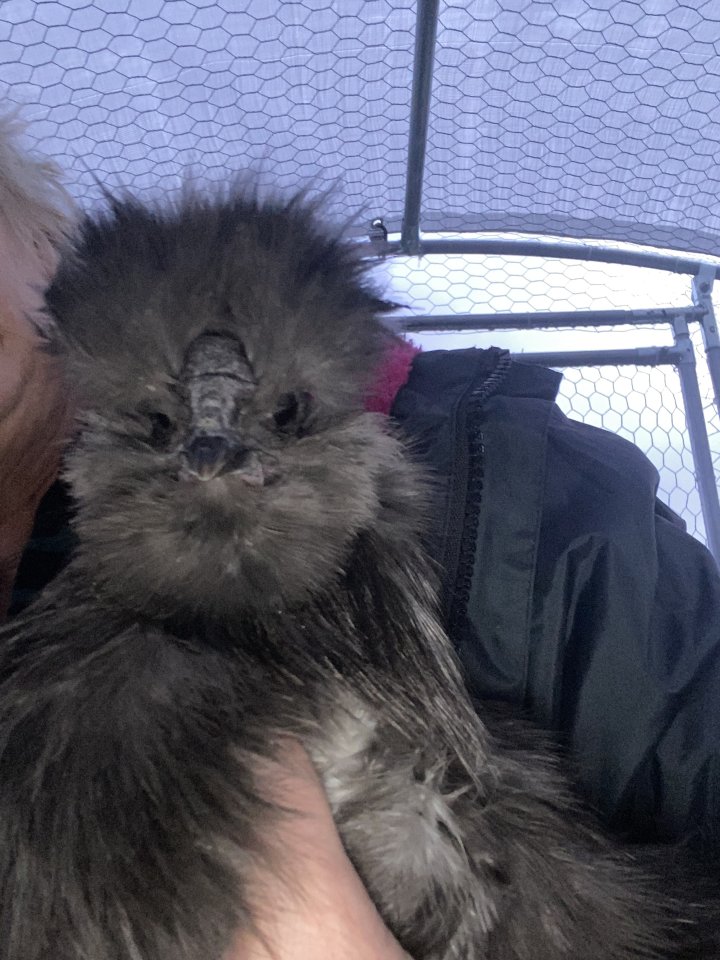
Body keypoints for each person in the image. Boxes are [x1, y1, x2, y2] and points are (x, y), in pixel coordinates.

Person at [1, 115, 719, 957]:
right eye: (158, 423)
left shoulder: (539, 513)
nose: (209, 444)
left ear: (45, 243)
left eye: (285, 414)